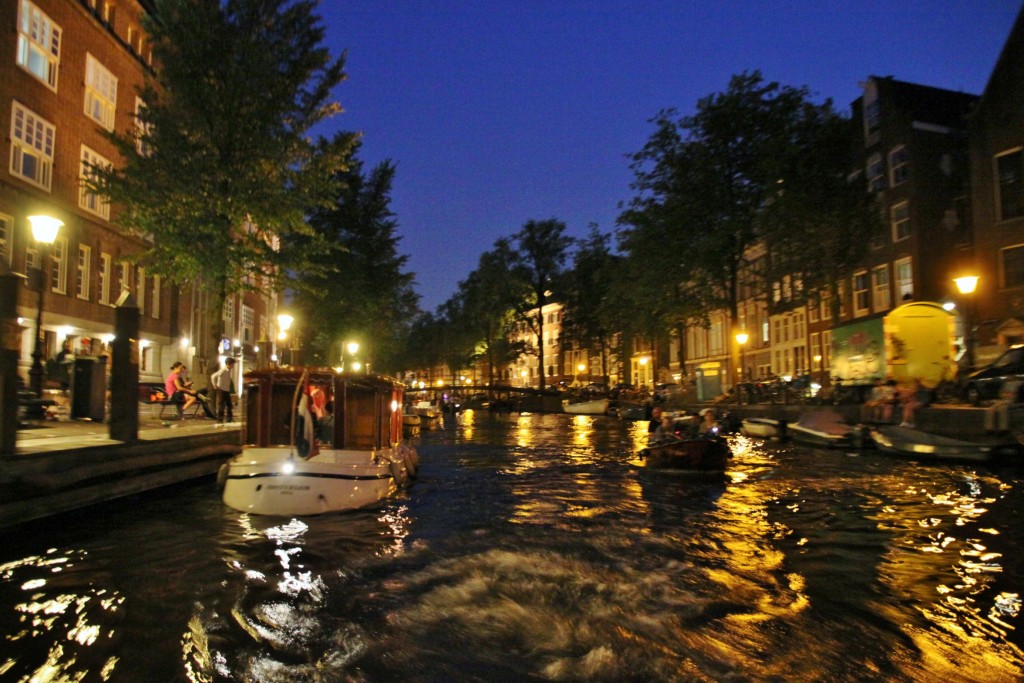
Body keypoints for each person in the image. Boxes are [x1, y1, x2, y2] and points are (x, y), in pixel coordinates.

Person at [211, 357, 236, 423]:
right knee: (221, 405)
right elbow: (213, 376)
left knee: (229, 405)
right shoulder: (223, 370)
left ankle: (229, 418)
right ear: (228, 364)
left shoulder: (229, 370)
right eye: (232, 364)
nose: (233, 366)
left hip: (226, 390)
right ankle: (220, 419)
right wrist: (214, 385)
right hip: (221, 390)